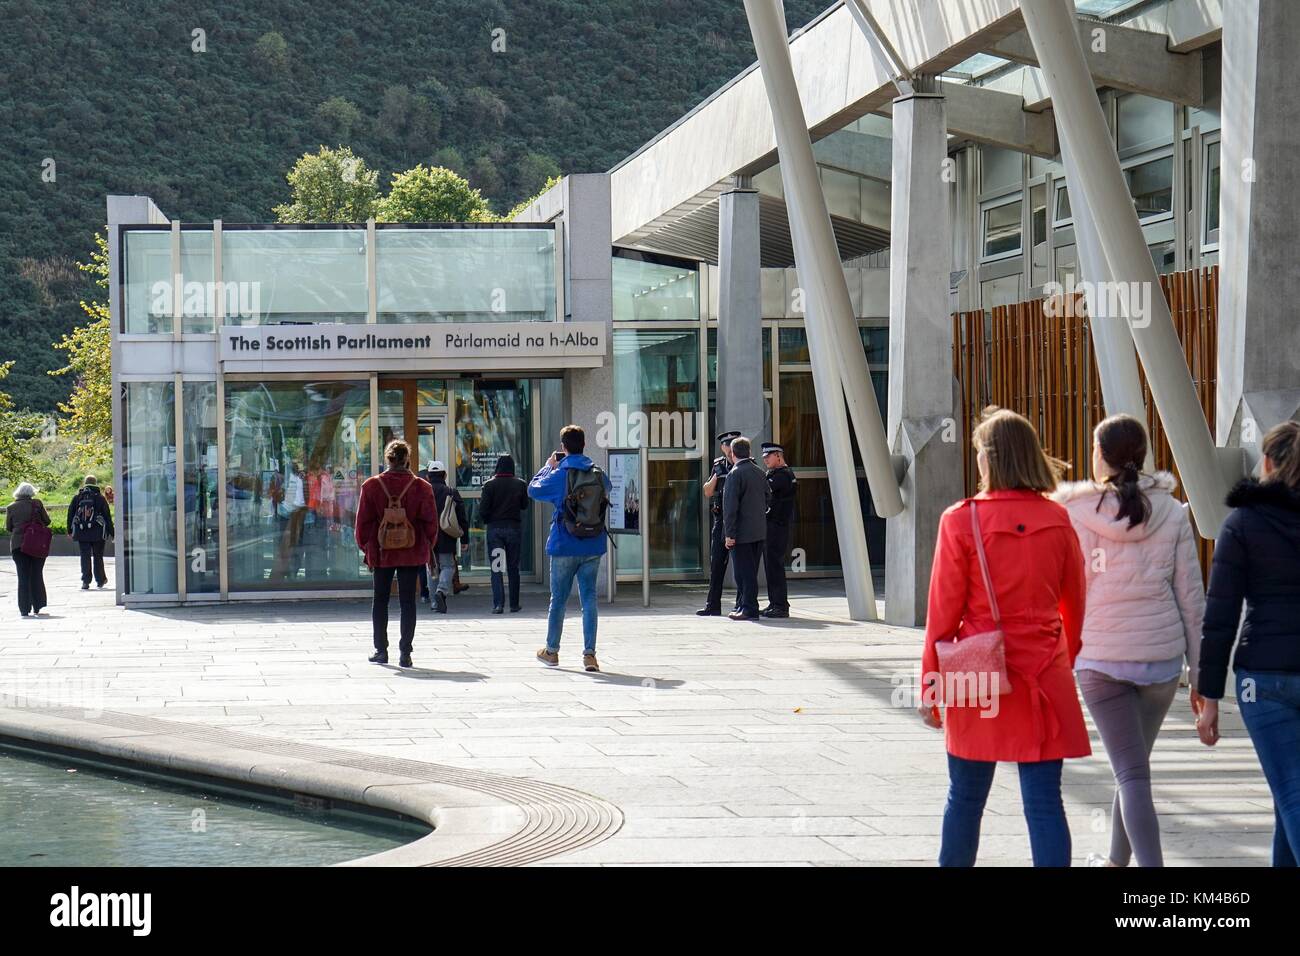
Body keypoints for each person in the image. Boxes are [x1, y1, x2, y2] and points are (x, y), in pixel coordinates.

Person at [921, 407, 1088, 867]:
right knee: (1044, 802)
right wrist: (1061, 660)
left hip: (977, 675)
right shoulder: (1058, 519)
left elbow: (941, 617)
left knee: (965, 798)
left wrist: (931, 687)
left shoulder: (960, 520)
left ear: (988, 460)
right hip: (1043, 677)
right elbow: (1075, 606)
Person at [1052, 414, 1204, 867]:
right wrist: (1200, 673)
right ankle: (1117, 862)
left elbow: (1062, 591)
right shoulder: (1174, 514)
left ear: (1100, 457)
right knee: (1132, 768)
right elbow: (1192, 600)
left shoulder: (1074, 514)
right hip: (1159, 663)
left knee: (1131, 772)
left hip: (1100, 659)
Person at [1196, 420, 1300, 867]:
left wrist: (1210, 694)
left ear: (1270, 463)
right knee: (1286, 795)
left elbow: (1220, 615)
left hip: (1263, 677)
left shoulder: (1241, 523)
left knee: (1292, 793)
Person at [529, 424, 610, 672]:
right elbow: (607, 490)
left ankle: (551, 651)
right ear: (584, 444)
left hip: (564, 544)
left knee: (559, 601)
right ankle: (589, 655)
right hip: (593, 544)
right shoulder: (597, 473)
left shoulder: (559, 474)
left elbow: (533, 488)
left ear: (563, 447)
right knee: (589, 600)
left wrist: (548, 466)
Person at [354, 440, 438, 668]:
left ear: (387, 459)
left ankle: (381, 650)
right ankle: (405, 653)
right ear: (407, 459)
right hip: (411, 551)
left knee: (380, 600)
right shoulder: (422, 487)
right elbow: (431, 523)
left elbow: (362, 524)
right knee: (408, 601)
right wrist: (427, 546)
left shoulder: (371, 486)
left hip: (382, 552)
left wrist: (367, 548)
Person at [722, 436, 770, 622]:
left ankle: (749, 608)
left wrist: (729, 534)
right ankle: (745, 605)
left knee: (743, 573)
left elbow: (730, 507)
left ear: (732, 454)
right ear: (749, 453)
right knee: (751, 571)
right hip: (758, 531)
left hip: (741, 533)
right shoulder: (759, 472)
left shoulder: (735, 474)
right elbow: (768, 498)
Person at [478, 454, 528, 614]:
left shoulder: (489, 485)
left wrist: (489, 520)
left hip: (495, 530)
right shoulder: (520, 484)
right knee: (513, 567)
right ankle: (514, 604)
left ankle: (498, 604)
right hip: (513, 528)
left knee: (497, 568)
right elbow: (524, 505)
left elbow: (483, 510)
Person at [697, 430, 739, 616]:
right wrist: (717, 475)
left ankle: (741, 604)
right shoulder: (718, 465)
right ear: (722, 447)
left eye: (732, 444)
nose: (729, 448)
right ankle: (712, 605)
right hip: (720, 520)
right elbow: (707, 491)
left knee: (741, 565)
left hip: (738, 521)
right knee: (716, 565)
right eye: (726, 444)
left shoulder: (746, 462)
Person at [760, 442, 797, 618]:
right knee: (771, 565)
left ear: (778, 455)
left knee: (774, 565)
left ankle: (780, 605)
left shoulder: (783, 475)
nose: (765, 459)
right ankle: (775, 602)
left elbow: (766, 490)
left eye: (768, 456)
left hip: (777, 525)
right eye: (764, 457)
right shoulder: (776, 474)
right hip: (773, 524)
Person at [424, 461, 466, 614]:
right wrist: (465, 539)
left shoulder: (424, 492)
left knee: (431, 569)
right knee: (448, 566)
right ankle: (441, 591)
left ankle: (435, 604)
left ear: (428, 476)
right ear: (445, 475)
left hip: (428, 537)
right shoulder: (451, 491)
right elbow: (462, 517)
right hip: (446, 536)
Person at [6, 482, 52, 617]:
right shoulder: (37, 504)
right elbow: (47, 521)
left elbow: (9, 527)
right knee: (36, 574)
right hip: (37, 544)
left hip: (18, 546)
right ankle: (38, 605)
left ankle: (24, 609)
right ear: (31, 492)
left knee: (22, 577)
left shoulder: (11, 507)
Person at [68, 475, 115, 590]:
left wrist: (69, 531)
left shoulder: (77, 497)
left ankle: (85, 581)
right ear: (95, 483)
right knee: (98, 556)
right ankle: (100, 580)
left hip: (81, 531)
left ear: (85, 483)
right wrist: (112, 533)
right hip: (98, 532)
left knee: (85, 556)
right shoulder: (99, 498)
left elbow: (70, 514)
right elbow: (107, 516)